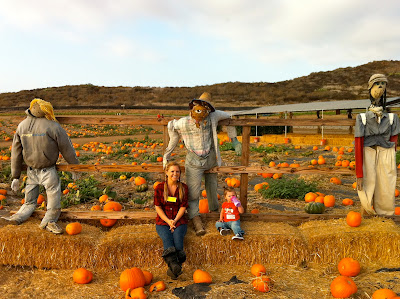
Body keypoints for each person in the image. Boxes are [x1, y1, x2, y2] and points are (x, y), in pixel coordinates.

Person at [163, 92, 242, 236]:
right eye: (200, 106)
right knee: (193, 193)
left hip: (211, 159)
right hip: (193, 161)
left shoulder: (213, 116)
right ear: (193, 107)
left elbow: (230, 117)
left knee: (212, 188)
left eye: (206, 106)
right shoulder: (184, 122)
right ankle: (195, 218)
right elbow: (171, 127)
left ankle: (215, 213)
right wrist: (167, 153)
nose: (202, 109)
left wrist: (235, 140)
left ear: (209, 109)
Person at [0, 99, 79, 234]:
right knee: (53, 200)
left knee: (29, 201)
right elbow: (67, 148)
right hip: (48, 170)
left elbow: (16, 152)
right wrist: (74, 166)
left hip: (31, 171)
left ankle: (17, 217)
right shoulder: (53, 126)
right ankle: (49, 222)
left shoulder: (22, 126)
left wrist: (15, 176)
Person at [355, 74, 400, 215]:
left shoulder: (392, 118)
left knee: (387, 184)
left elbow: (394, 142)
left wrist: (391, 157)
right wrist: (359, 174)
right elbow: (358, 144)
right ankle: (367, 211)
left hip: (386, 153)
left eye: (383, 83)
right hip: (368, 151)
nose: (380, 86)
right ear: (370, 87)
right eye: (377, 83)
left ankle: (385, 215)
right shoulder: (362, 118)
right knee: (367, 184)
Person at [154, 161, 188, 279]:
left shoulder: (183, 188)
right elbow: (158, 207)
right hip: (163, 221)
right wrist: (168, 221)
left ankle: (173, 270)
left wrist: (174, 221)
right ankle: (175, 267)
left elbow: (183, 207)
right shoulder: (159, 188)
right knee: (167, 238)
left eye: (177, 171)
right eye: (172, 171)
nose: (175, 174)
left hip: (179, 220)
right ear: (166, 172)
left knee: (178, 239)